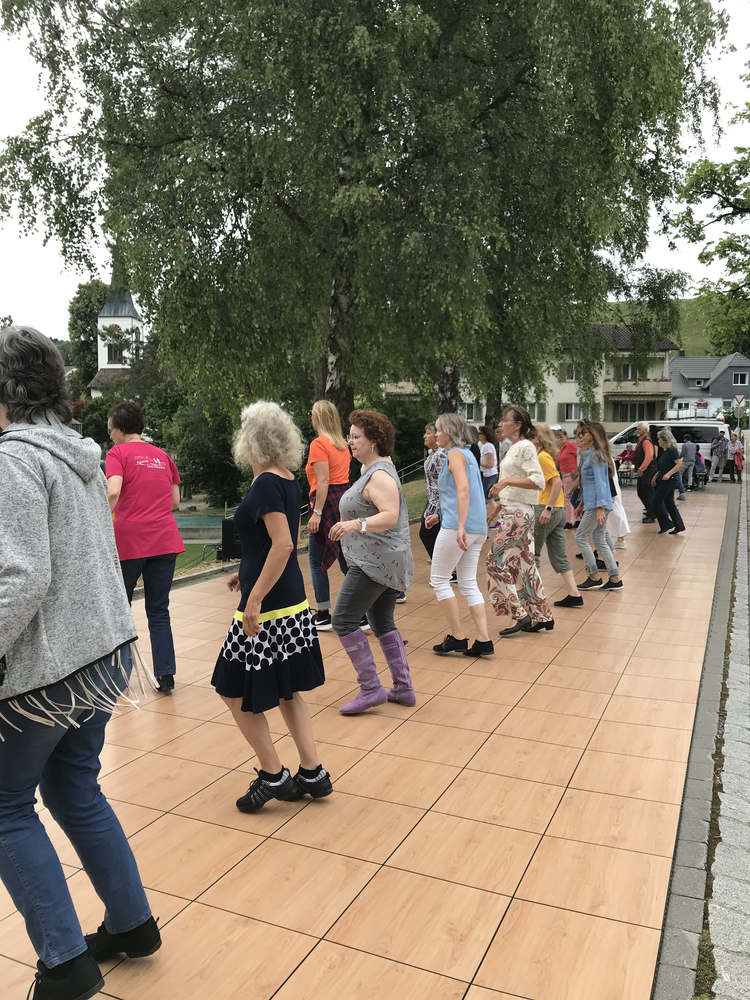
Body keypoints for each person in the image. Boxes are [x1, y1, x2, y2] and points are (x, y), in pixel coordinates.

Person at [0, 327, 160, 1000]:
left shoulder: (13, 459)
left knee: (5, 807)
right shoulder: (81, 453)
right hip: (105, 656)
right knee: (74, 789)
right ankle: (131, 925)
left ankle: (65, 967)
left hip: (49, 672)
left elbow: (20, 576)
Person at [212, 402, 331, 811]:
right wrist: (244, 575)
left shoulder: (264, 481)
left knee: (228, 688)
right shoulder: (287, 478)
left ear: (252, 439)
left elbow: (282, 544)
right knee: (287, 690)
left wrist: (255, 597)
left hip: (268, 609)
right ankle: (313, 772)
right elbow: (273, 544)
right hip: (289, 600)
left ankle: (273, 774)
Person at [330, 410, 416, 711]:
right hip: (384, 561)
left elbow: (390, 516)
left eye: (356, 437)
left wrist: (355, 525)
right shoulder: (374, 469)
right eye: (350, 436)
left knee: (342, 619)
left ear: (375, 441)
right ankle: (403, 689)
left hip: (376, 562)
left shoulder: (379, 474)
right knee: (381, 621)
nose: (349, 441)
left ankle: (371, 689)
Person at [106, 401, 184, 693]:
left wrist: (100, 517)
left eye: (111, 429)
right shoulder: (162, 455)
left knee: (120, 609)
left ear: (122, 429)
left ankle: (120, 676)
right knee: (158, 610)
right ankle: (165, 676)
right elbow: (174, 502)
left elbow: (113, 490)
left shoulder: (117, 453)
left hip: (129, 542)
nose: (110, 435)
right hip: (164, 541)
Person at [426, 413, 493, 657]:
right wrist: (442, 516)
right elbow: (464, 493)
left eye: (439, 430)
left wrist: (459, 525)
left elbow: (463, 489)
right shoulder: (469, 455)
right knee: (468, 582)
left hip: (460, 528)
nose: (436, 434)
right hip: (476, 528)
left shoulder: (454, 454)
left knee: (440, 580)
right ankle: (483, 640)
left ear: (450, 432)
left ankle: (457, 637)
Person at [486, 406, 554, 634]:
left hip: (518, 514)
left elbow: (538, 481)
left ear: (518, 425)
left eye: (505, 420)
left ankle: (520, 614)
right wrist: (495, 512)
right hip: (515, 511)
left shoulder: (525, 446)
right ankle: (542, 616)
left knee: (494, 562)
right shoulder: (515, 448)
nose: (500, 424)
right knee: (525, 566)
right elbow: (514, 487)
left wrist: (505, 482)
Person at [305, 399, 351, 631]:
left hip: (327, 502)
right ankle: (358, 610)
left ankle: (323, 614)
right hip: (342, 500)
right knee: (345, 557)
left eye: (312, 414)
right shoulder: (343, 444)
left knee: (316, 560)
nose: (310, 417)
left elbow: (323, 481)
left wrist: (316, 513)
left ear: (319, 418)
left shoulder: (319, 444)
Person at [532, 423, 584, 609]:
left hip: (547, 509)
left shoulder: (542, 457)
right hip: (558, 510)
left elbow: (556, 483)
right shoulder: (545, 456)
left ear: (537, 438)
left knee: (532, 555)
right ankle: (574, 594)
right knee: (559, 555)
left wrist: (547, 508)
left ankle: (535, 599)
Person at [575, 422, 624, 591]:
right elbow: (589, 484)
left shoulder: (595, 455)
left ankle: (594, 576)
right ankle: (615, 578)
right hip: (594, 503)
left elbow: (601, 483)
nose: (582, 436)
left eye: (585, 433)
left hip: (597, 504)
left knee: (580, 536)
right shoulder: (591, 454)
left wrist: (600, 507)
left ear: (594, 435)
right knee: (599, 539)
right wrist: (581, 503)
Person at [419, 422, 447, 561]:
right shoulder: (434, 453)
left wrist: (441, 509)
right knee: (429, 533)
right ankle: (442, 567)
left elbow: (447, 479)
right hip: (432, 500)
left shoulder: (441, 453)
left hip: (438, 501)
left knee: (426, 533)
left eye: (428, 433)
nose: (425, 436)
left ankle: (445, 569)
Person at [652, 427, 685, 535]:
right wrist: (656, 475)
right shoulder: (664, 452)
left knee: (656, 501)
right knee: (669, 503)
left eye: (659, 439)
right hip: (663, 479)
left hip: (669, 480)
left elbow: (679, 464)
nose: (658, 441)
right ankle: (679, 525)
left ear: (664, 440)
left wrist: (668, 474)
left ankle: (666, 524)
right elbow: (664, 466)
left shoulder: (672, 451)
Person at [555, 428, 579, 528]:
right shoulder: (561, 448)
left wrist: (577, 469)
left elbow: (580, 455)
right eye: (557, 437)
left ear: (566, 436)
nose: (559, 439)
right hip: (564, 474)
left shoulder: (570, 446)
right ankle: (576, 519)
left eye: (561, 437)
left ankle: (569, 521)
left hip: (571, 474)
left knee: (567, 497)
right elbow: (557, 461)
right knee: (571, 497)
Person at [634, 422, 658, 523]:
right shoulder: (641, 440)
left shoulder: (646, 441)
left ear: (645, 430)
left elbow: (649, 456)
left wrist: (641, 468)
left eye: (639, 429)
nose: (637, 431)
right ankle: (650, 510)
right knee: (641, 492)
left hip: (648, 472)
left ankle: (652, 514)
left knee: (647, 493)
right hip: (645, 472)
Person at [478, 424, 499, 499]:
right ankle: (494, 510)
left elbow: (490, 463)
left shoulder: (487, 446)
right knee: (488, 496)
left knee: (481, 495)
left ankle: (481, 511)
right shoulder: (487, 445)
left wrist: (478, 463)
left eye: (479, 433)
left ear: (484, 435)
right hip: (490, 474)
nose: (477, 435)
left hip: (488, 475)